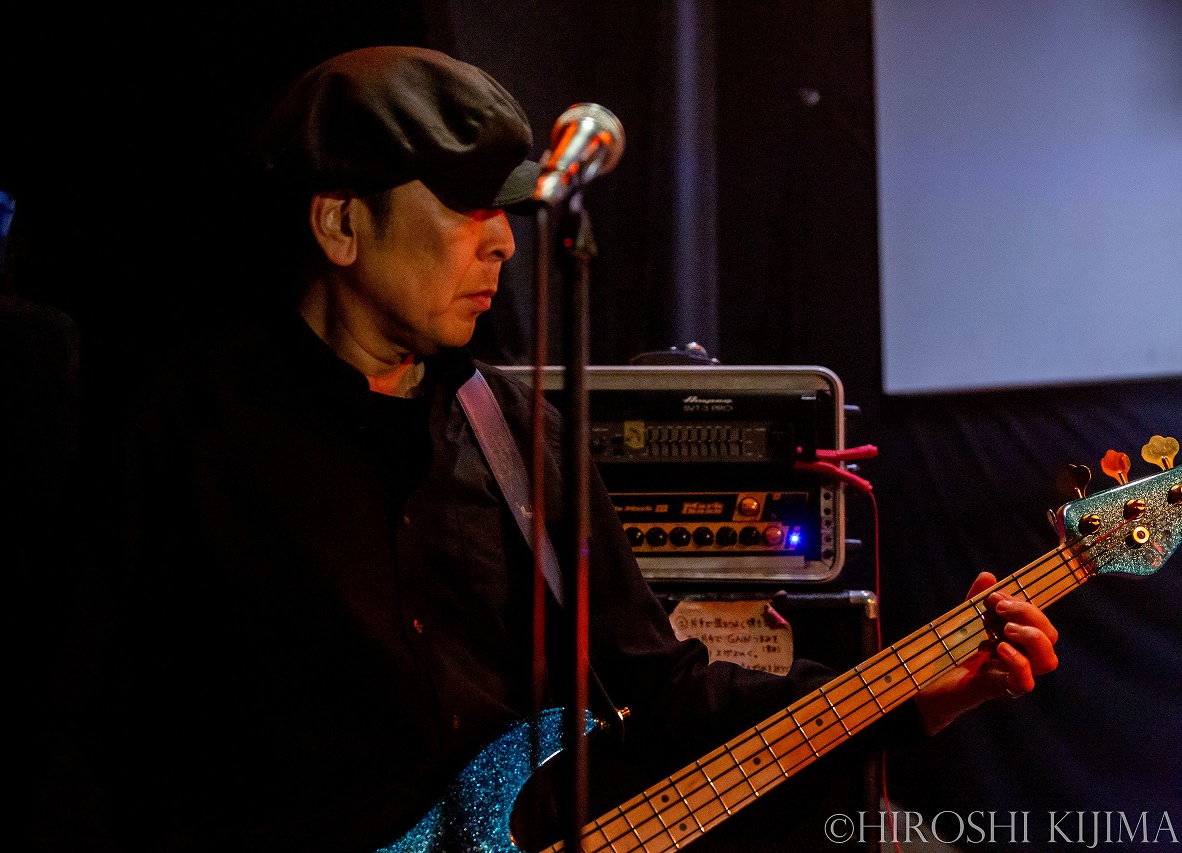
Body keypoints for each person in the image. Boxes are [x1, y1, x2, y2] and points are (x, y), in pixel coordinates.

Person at [91, 45, 1059, 852]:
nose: (505, 245)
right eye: (467, 207)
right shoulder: (185, 431)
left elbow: (660, 689)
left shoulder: (517, 440)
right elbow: (89, 730)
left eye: (507, 211)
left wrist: (913, 696)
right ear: (341, 223)